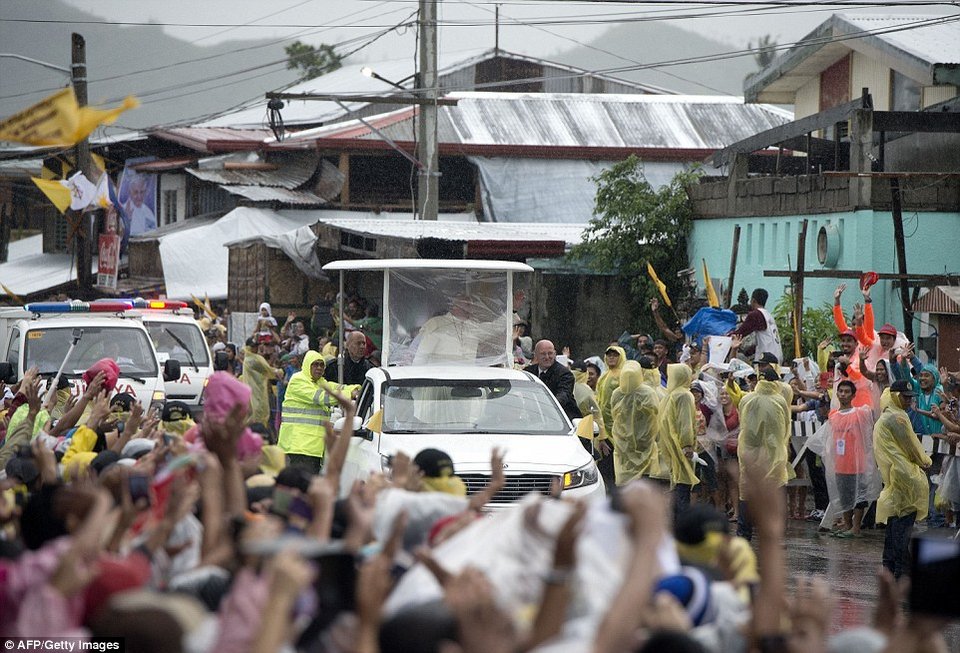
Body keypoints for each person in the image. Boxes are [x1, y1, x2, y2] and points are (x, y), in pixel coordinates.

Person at [873, 379, 932, 578]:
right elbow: (912, 446)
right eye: (905, 397)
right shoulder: (897, 418)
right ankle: (901, 574)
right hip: (905, 478)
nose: (908, 401)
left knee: (893, 527)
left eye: (910, 398)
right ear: (895, 396)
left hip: (894, 478)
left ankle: (888, 571)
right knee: (901, 529)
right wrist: (925, 461)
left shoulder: (887, 415)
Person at [737, 368, 792, 541]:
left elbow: (742, 424)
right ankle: (776, 535)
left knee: (746, 492)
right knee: (776, 490)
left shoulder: (746, 399)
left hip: (749, 453)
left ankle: (744, 534)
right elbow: (785, 427)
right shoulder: (780, 401)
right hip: (773, 453)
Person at [821, 380, 880, 538]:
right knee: (844, 496)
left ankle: (856, 527)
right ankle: (847, 525)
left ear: (853, 395)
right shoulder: (833, 415)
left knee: (859, 497)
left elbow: (874, 411)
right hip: (841, 464)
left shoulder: (860, 414)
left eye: (847, 392)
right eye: (840, 391)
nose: (843, 394)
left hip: (857, 463)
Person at [277, 351, 353, 474]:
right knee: (304, 486)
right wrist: (349, 394)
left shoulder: (319, 382)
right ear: (307, 365)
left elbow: (337, 388)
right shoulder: (298, 380)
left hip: (312, 446)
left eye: (321, 365)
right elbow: (322, 398)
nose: (319, 368)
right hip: (300, 445)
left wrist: (355, 388)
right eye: (315, 364)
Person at [656, 363, 700, 513]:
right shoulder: (684, 395)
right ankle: (682, 525)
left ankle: (676, 524)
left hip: (671, 446)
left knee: (677, 484)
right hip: (681, 447)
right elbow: (685, 422)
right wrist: (687, 445)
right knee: (683, 485)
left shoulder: (670, 395)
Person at [610, 361, 661, 485]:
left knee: (625, 481)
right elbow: (657, 412)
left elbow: (613, 414)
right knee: (645, 479)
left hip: (624, 443)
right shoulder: (648, 393)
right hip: (644, 442)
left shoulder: (617, 393)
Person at [525, 340, 580, 421]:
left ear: (555, 354)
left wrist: (547, 407)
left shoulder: (564, 374)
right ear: (535, 355)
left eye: (550, 353)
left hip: (563, 420)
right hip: (534, 419)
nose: (547, 357)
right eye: (543, 354)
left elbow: (563, 396)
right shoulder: (528, 372)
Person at [729, 288, 782, 363]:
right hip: (777, 356)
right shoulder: (769, 315)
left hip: (766, 360)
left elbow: (740, 333)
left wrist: (723, 337)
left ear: (753, 300)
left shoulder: (756, 314)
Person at [240, 338, 282, 430]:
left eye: (256, 346)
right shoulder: (252, 360)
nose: (256, 348)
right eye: (253, 346)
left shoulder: (253, 358)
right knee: (257, 414)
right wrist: (278, 371)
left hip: (258, 391)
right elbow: (268, 370)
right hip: (255, 393)